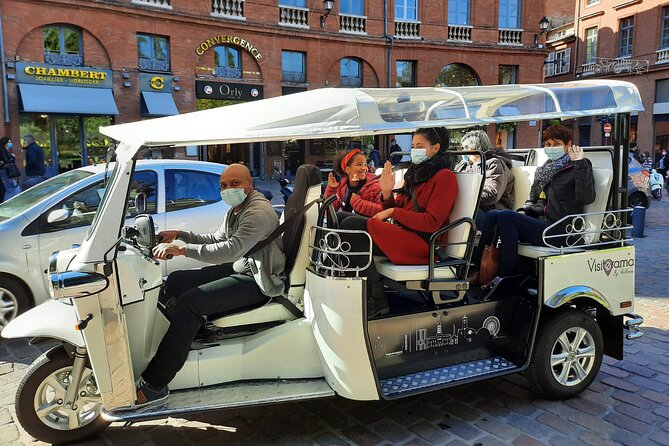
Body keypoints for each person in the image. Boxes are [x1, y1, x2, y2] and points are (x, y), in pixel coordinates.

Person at [134, 164, 286, 408]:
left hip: (259, 280)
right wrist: (180, 235)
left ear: (249, 184)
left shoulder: (257, 211)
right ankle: (187, 333)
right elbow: (217, 239)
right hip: (243, 267)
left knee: (190, 302)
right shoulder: (237, 209)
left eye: (235, 184)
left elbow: (228, 250)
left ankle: (155, 383)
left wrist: (183, 249)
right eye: (224, 186)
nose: (228, 189)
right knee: (176, 281)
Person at [338, 127, 458, 316]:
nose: (414, 150)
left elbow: (432, 222)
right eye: (412, 146)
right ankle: (346, 284)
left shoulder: (445, 177)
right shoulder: (417, 173)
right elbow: (396, 207)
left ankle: (375, 297)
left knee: (351, 226)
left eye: (420, 146)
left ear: (436, 148)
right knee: (339, 217)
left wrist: (394, 211)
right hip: (405, 234)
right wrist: (387, 192)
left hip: (423, 242)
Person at [469, 125, 595, 285]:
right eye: (547, 144)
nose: (550, 147)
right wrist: (523, 213)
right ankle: (478, 268)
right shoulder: (543, 170)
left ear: (568, 145)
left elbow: (587, 197)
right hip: (542, 224)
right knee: (494, 215)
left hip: (562, 230)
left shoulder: (580, 166)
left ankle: (506, 275)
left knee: (506, 216)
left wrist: (579, 164)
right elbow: (531, 200)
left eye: (555, 144)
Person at [454, 130, 515, 227]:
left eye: (465, 148)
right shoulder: (463, 165)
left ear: (473, 149)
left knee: (463, 208)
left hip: (491, 212)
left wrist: (464, 197)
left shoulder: (494, 164)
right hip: (472, 206)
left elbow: (492, 194)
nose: (463, 152)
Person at [324, 148, 382, 217]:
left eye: (365, 164)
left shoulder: (375, 185)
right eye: (359, 164)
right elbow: (328, 213)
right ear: (348, 170)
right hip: (347, 225)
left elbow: (384, 211)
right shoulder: (342, 187)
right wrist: (332, 190)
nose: (364, 168)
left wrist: (359, 203)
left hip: (369, 225)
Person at [0, 137, 21, 202]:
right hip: (5, 172)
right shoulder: (2, 152)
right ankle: (7, 204)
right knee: (11, 189)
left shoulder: (6, 152)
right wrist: (12, 157)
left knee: (13, 189)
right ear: (4, 143)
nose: (10, 144)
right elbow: (5, 162)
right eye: (9, 142)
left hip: (8, 173)